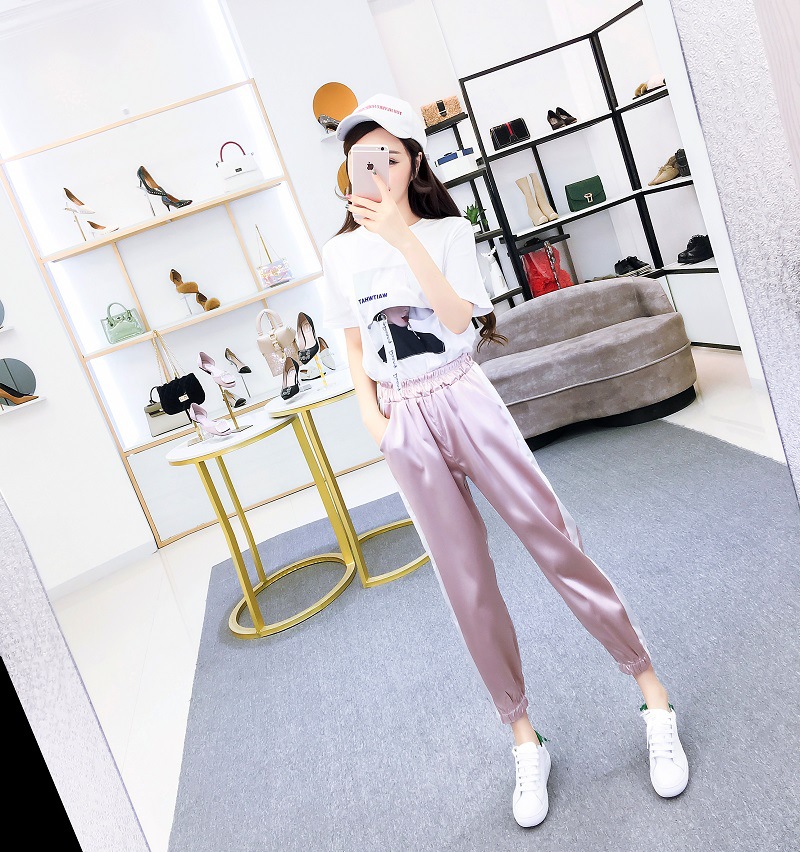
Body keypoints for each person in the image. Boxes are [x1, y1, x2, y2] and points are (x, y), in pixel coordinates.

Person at [319, 93, 689, 828]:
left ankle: (653, 695)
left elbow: (463, 320)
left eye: (389, 154)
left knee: (552, 536)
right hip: (404, 418)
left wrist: (403, 239)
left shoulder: (450, 232)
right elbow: (353, 340)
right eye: (362, 158)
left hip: (463, 392)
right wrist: (372, 419)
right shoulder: (338, 254)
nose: (376, 168)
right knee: (465, 582)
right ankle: (524, 738)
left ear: (413, 162)